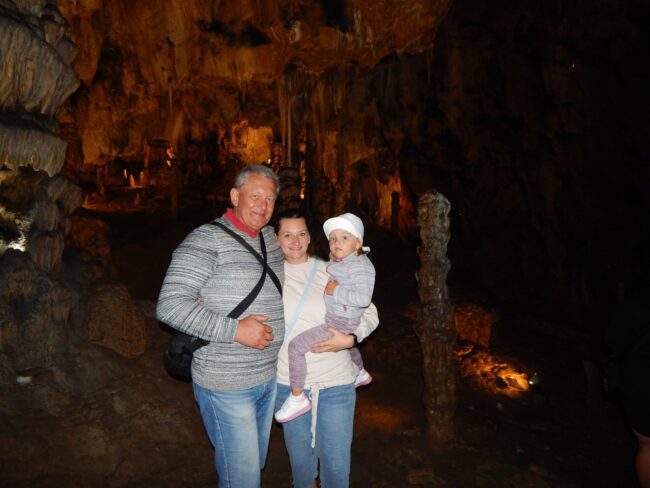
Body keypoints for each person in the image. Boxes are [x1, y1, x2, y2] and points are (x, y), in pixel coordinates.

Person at [156, 164, 284, 488]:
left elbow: (301, 263)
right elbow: (170, 305)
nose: (262, 205)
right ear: (235, 196)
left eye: (270, 199)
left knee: (254, 464)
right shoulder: (206, 239)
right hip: (226, 382)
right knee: (243, 478)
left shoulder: (272, 239)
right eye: (255, 196)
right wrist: (236, 330)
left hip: (268, 378)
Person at [273, 209, 379, 487]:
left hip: (336, 384)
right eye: (287, 235)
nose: (295, 241)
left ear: (310, 238)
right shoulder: (267, 277)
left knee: (335, 464)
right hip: (289, 385)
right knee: (301, 467)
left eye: (301, 233)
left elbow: (369, 311)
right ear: (276, 239)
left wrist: (351, 339)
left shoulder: (330, 270)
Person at [604, 286, 650, 488]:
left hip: (642, 381)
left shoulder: (641, 298)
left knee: (648, 446)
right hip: (641, 381)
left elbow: (613, 339)